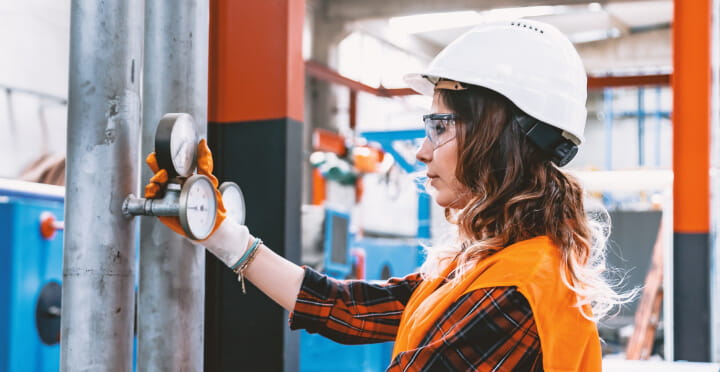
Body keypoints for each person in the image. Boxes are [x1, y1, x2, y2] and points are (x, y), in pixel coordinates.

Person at [145, 19, 630, 372]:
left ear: (495, 135)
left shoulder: (512, 293)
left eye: (439, 127)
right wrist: (223, 236)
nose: (422, 152)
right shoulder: (486, 265)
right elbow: (350, 309)